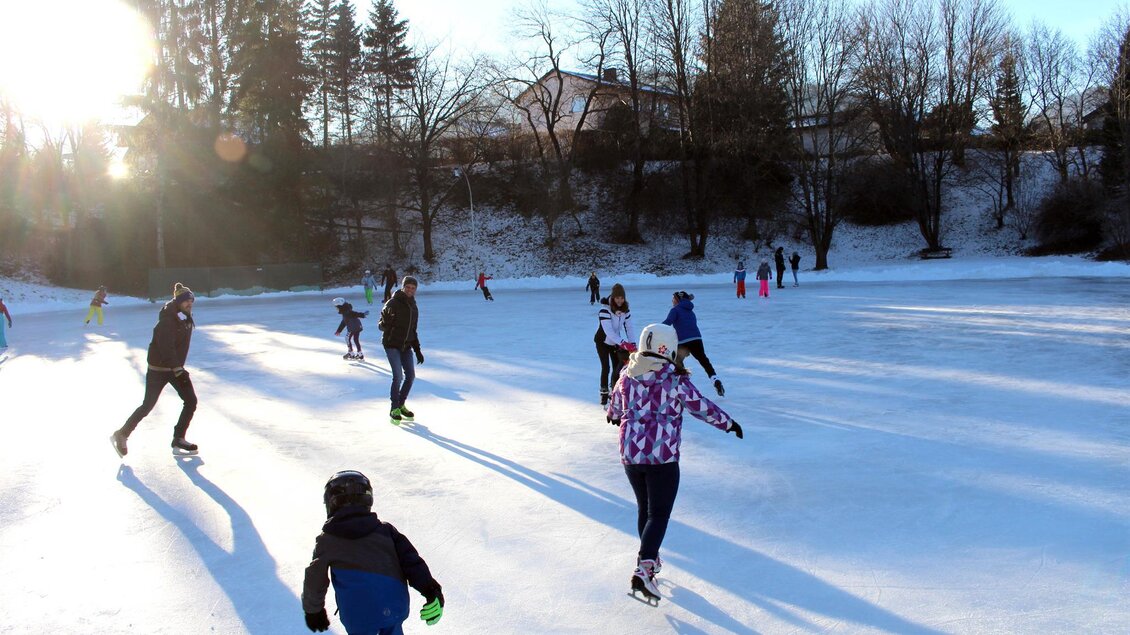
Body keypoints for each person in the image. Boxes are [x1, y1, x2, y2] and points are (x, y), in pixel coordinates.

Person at [607, 323, 742, 604]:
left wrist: (614, 413)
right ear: (667, 349)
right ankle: (644, 568)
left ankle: (650, 560)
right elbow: (701, 406)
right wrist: (728, 423)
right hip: (662, 456)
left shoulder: (626, 375)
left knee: (645, 509)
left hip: (631, 454)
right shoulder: (674, 380)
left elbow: (615, 409)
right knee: (658, 514)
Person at [302, 470, 444, 634]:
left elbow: (315, 577)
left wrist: (314, 610)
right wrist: (431, 590)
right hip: (394, 608)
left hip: (358, 616)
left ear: (330, 502)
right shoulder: (387, 531)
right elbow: (412, 562)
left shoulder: (327, 540)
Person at [110, 283, 198, 457]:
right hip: (159, 369)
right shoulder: (167, 321)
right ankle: (122, 434)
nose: (190, 304)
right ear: (178, 302)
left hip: (174, 367)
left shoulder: (183, 316)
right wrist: (177, 368)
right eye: (186, 301)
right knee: (148, 405)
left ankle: (178, 439)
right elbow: (166, 348)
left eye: (191, 301)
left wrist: (177, 367)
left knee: (191, 401)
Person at [379, 276, 424, 424]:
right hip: (392, 345)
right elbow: (381, 326)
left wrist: (417, 350)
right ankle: (394, 408)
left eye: (413, 288)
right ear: (403, 287)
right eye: (408, 287)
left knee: (410, 376)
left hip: (406, 346)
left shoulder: (413, 306)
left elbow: (413, 330)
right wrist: (385, 322)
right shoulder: (392, 303)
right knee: (398, 376)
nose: (410, 290)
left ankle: (401, 404)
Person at [662, 291, 724, 397]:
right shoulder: (690, 311)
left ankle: (684, 382)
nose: (672, 301)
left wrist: (655, 329)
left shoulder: (675, 310)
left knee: (677, 361)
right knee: (703, 360)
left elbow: (668, 322)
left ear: (678, 300)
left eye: (673, 299)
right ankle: (715, 379)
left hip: (683, 342)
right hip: (697, 339)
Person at [595, 283, 635, 406]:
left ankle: (615, 391)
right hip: (602, 342)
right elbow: (609, 331)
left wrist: (633, 343)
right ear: (612, 297)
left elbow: (629, 327)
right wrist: (624, 343)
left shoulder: (625, 311)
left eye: (622, 298)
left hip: (615, 343)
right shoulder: (604, 310)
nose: (619, 300)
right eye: (617, 298)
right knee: (606, 367)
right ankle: (603, 392)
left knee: (617, 368)